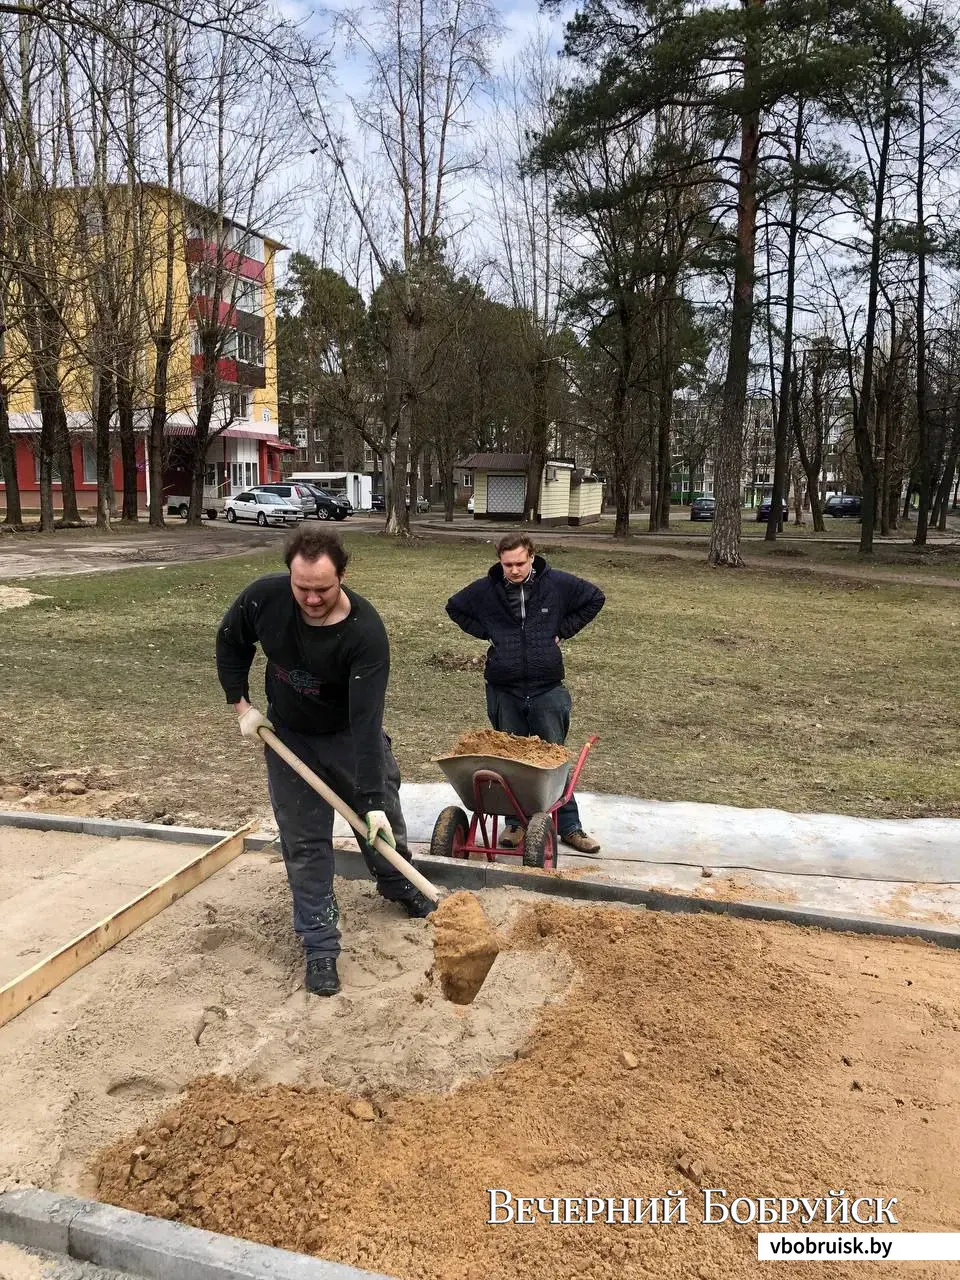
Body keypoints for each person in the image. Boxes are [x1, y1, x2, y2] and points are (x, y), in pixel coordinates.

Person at [215, 526, 434, 999]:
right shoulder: (264, 599)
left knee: (381, 825)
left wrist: (371, 799)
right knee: (305, 842)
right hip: (289, 738)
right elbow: (231, 642)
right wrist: (243, 707)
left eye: (322, 589)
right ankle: (319, 944)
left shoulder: (365, 634)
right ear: (289, 575)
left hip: (348, 737)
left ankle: (399, 884)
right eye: (302, 588)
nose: (311, 599)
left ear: (343, 577)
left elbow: (366, 722)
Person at [445, 533, 605, 856]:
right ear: (499, 562)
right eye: (508, 565)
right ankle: (516, 825)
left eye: (520, 563)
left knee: (553, 759)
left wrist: (563, 630)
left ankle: (569, 826)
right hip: (505, 690)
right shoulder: (487, 591)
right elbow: (455, 607)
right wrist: (490, 632)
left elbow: (594, 598)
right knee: (510, 760)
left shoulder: (556, 584)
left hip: (547, 688)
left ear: (531, 557)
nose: (514, 570)